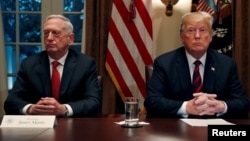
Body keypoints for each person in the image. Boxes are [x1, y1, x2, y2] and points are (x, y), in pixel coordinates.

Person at [144, 11, 249, 119]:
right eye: (191, 30)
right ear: (182, 37)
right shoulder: (164, 63)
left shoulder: (227, 64)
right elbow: (152, 102)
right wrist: (186, 107)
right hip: (176, 131)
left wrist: (221, 106)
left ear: (211, 36)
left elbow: (243, 103)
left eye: (203, 30)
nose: (197, 36)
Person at [4, 15, 102, 117]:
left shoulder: (86, 64)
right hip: (38, 125)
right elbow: (11, 101)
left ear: (70, 39)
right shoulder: (29, 64)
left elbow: (94, 102)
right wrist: (30, 108)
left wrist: (64, 109)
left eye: (56, 33)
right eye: (46, 33)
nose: (49, 38)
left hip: (73, 126)